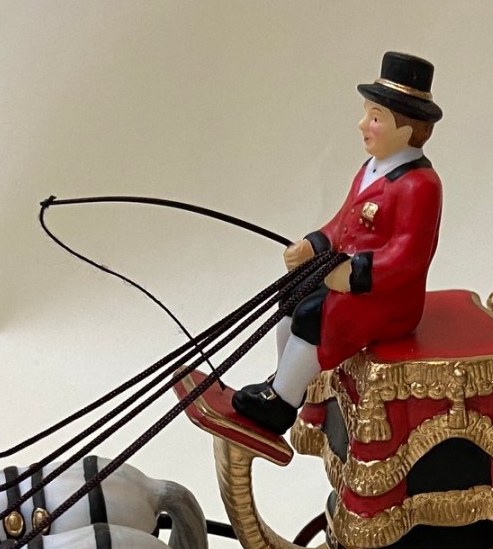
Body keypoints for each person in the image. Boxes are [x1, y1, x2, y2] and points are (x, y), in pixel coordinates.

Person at [189, 51, 444, 464]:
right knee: (292, 295)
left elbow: (408, 258)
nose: (363, 125)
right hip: (346, 279)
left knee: (315, 314)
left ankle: (280, 406)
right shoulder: (370, 169)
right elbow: (341, 224)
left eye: (375, 117)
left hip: (388, 300)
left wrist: (355, 275)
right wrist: (313, 245)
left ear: (407, 128)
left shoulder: (421, 186)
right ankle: (284, 382)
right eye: (366, 114)